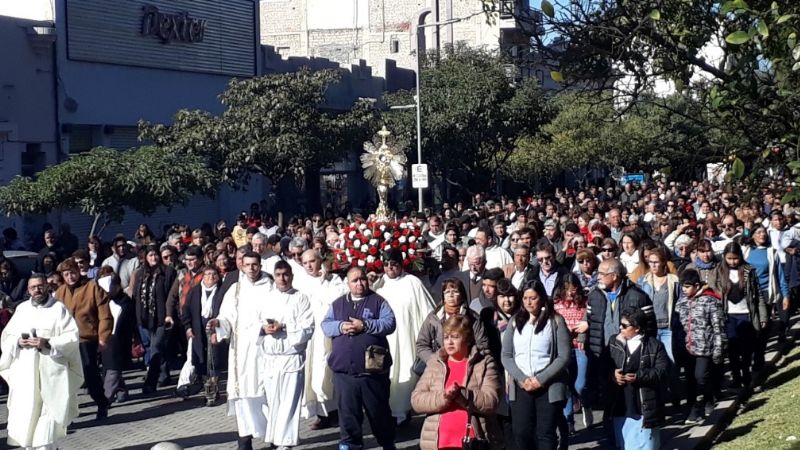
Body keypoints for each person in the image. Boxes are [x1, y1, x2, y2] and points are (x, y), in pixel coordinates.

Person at [0, 275, 84, 450]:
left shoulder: (58, 309)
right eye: (33, 287)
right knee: (27, 428)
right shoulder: (22, 309)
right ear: (28, 290)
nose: (37, 290)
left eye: (40, 286)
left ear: (47, 287)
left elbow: (72, 337)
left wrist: (48, 342)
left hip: (51, 374)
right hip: (26, 375)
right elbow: (7, 336)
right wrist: (18, 342)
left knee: (47, 429)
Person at [321, 267, 397, 450]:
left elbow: (390, 323)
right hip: (344, 372)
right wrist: (340, 327)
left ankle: (387, 443)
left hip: (372, 372)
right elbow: (325, 325)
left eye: (362, 279)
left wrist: (365, 325)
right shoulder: (338, 304)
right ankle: (350, 444)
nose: (359, 283)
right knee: (348, 414)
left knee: (378, 412)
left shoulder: (378, 302)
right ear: (348, 283)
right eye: (354, 280)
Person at [206, 252, 275, 450]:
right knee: (243, 397)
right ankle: (245, 440)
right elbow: (227, 315)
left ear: (260, 265)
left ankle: (274, 439)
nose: (251, 269)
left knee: (266, 395)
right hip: (242, 352)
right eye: (247, 265)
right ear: (242, 267)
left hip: (264, 349)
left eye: (255, 264)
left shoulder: (270, 287)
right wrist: (218, 322)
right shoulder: (236, 289)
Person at [411, 315, 502, 450]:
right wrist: (444, 397)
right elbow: (416, 400)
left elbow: (491, 400)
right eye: (446, 337)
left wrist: (463, 395)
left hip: (472, 442)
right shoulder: (435, 364)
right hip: (438, 442)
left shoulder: (484, 363)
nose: (449, 342)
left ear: (467, 339)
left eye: (455, 337)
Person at [501, 280, 572, 450]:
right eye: (525, 298)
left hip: (548, 385)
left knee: (545, 433)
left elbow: (563, 356)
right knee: (521, 432)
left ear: (541, 298)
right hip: (521, 385)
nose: (528, 302)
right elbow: (506, 355)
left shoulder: (555, 321)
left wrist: (541, 379)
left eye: (533, 298)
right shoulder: (514, 321)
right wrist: (522, 379)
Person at [372, 248, 436, 422]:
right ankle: (388, 413)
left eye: (393, 264)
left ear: (400, 265)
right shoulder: (379, 284)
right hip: (386, 340)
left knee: (406, 373)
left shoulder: (412, 282)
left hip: (407, 337)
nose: (389, 268)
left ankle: (403, 412)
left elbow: (428, 312)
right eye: (385, 265)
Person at [258, 260, 315, 450]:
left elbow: (308, 327)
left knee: (289, 402)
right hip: (271, 357)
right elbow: (256, 323)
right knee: (273, 400)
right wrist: (263, 328)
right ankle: (276, 439)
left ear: (291, 275)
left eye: (285, 275)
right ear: (273, 276)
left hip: (291, 357)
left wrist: (284, 326)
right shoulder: (266, 297)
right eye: (278, 275)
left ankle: (287, 443)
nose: (282, 279)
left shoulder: (301, 298)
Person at [54, 258, 113, 420]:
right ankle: (68, 411)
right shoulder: (60, 292)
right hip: (66, 341)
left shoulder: (92, 287)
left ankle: (101, 402)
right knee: (64, 376)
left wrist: (103, 338)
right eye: (66, 274)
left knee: (89, 372)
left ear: (78, 272)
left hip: (86, 339)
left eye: (72, 273)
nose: (70, 277)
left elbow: (105, 315)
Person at [608, 307, 669, 450]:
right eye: (620, 324)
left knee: (646, 445)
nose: (620, 328)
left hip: (644, 407)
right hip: (620, 405)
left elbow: (662, 372)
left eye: (624, 326)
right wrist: (612, 374)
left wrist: (639, 376)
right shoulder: (614, 342)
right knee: (624, 444)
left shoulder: (655, 346)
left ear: (637, 328)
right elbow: (603, 366)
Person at [708, 242, 766, 389]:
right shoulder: (718, 270)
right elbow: (711, 288)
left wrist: (763, 315)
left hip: (746, 313)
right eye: (729, 258)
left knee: (746, 348)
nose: (733, 262)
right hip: (728, 315)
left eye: (735, 258)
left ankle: (746, 372)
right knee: (732, 348)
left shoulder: (748, 270)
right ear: (724, 257)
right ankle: (736, 376)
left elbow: (757, 293)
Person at [673, 269, 726, 424]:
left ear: (697, 285)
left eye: (687, 286)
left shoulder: (710, 301)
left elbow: (718, 326)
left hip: (704, 347)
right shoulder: (681, 302)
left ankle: (700, 407)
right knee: (691, 380)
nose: (684, 289)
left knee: (700, 377)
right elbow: (677, 326)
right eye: (683, 286)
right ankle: (700, 405)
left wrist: (719, 347)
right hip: (687, 348)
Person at [416, 278, 490, 374]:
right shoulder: (433, 317)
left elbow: (483, 344)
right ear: (443, 296)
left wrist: (467, 360)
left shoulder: (472, 318)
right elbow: (421, 344)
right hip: (437, 369)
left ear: (462, 295)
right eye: (447, 292)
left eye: (455, 291)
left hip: (466, 368)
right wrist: (435, 361)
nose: (450, 295)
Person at [132, 244, 178, 394]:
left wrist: (169, 314)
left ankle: (150, 382)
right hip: (144, 318)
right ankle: (164, 375)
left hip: (161, 318)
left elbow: (171, 296)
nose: (154, 258)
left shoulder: (168, 272)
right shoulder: (140, 274)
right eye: (150, 255)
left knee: (156, 347)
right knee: (153, 349)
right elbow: (136, 296)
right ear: (145, 257)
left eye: (156, 255)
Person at [552, 274, 591, 435]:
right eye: (567, 290)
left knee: (580, 384)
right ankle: (569, 421)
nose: (570, 293)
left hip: (580, 347)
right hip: (564, 348)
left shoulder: (584, 303)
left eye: (573, 290)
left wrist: (583, 332)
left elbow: (589, 319)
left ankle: (585, 404)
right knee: (566, 385)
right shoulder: (555, 305)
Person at [180, 266, 222, 403]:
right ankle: (206, 387)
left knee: (213, 362)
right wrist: (188, 327)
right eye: (207, 274)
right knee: (201, 361)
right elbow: (185, 310)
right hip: (198, 330)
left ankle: (212, 393)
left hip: (216, 330)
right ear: (203, 276)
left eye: (213, 274)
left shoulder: (222, 291)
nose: (210, 277)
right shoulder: (195, 291)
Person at [96, 267, 136, 404]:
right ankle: (121, 390)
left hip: (119, 340)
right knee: (108, 368)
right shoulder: (103, 302)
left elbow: (127, 323)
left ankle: (105, 399)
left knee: (113, 370)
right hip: (105, 338)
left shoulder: (126, 303)